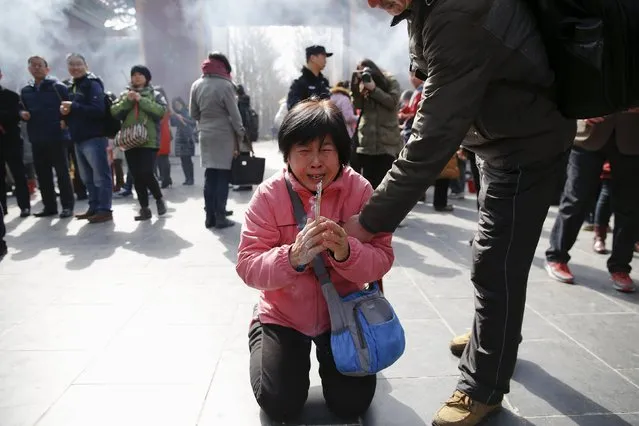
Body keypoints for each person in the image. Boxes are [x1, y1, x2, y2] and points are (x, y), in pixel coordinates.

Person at [355, 2, 576, 425]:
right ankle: (493, 337)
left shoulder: (456, 12)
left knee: (496, 262)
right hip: (497, 141)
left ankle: (482, 385)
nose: (371, 3)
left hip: (527, 144)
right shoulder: (424, 7)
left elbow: (430, 138)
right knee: (490, 252)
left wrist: (369, 220)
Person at [236, 99, 393, 423]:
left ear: (342, 152)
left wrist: (346, 252)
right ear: (287, 154)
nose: (316, 162)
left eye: (326, 149)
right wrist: (292, 257)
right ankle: (260, 328)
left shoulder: (360, 191)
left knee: (352, 405)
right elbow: (248, 264)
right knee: (279, 403)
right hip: (284, 313)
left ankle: (328, 356)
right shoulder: (268, 195)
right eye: (304, 150)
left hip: (345, 310)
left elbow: (382, 259)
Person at [545, 113, 639, 293]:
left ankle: (620, 268)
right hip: (590, 132)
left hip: (632, 136)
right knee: (575, 198)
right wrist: (581, 109)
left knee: (629, 206)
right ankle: (556, 256)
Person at [189, 52, 244, 229]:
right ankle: (220, 216)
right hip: (223, 136)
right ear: (224, 67)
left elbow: (193, 114)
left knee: (210, 175)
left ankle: (209, 216)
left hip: (205, 133)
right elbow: (235, 116)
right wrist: (241, 134)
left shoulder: (196, 84)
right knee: (222, 176)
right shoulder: (226, 86)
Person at [20, 56, 75, 218]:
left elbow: (70, 106)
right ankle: (49, 206)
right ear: (29, 69)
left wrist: (65, 120)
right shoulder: (26, 91)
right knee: (43, 174)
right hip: (37, 137)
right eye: (33, 66)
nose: (36, 68)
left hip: (57, 136)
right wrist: (22, 113)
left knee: (62, 173)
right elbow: (20, 108)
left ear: (47, 69)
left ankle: (67, 206)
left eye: (40, 65)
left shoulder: (58, 87)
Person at [111, 65, 168, 221]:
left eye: (140, 74)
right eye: (134, 75)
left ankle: (158, 198)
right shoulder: (124, 94)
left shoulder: (155, 94)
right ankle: (144, 208)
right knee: (136, 175)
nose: (136, 77)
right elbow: (114, 111)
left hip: (149, 140)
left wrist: (141, 100)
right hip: (130, 140)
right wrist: (127, 102)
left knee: (147, 172)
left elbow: (161, 112)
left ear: (147, 78)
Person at [63, 53, 113, 223]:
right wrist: (64, 115)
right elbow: (74, 113)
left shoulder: (92, 84)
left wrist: (74, 107)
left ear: (86, 65)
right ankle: (94, 207)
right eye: (71, 64)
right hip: (78, 138)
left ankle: (104, 209)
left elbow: (98, 110)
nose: (75, 67)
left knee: (100, 175)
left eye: (78, 64)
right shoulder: (70, 86)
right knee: (87, 178)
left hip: (94, 137)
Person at [351, 59, 403, 190]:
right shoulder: (363, 84)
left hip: (386, 143)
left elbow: (393, 102)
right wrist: (355, 87)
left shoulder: (390, 80)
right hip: (367, 142)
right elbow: (357, 105)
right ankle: (369, 210)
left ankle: (384, 210)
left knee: (384, 185)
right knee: (368, 185)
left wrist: (374, 89)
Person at [0, 67, 30, 217]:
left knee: (18, 173)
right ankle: (2, 208)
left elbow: (17, 114)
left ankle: (24, 206)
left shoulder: (11, 95)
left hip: (11, 139)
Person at [287, 45, 332, 110]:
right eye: (323, 57)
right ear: (313, 58)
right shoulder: (299, 84)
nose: (325, 61)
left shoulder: (324, 82)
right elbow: (293, 108)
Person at [170, 97, 197, 186]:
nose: (177, 106)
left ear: (181, 103)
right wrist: (174, 117)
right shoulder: (176, 113)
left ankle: (191, 179)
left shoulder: (187, 111)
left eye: (178, 104)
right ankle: (187, 178)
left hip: (187, 137)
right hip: (180, 137)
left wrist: (183, 119)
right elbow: (173, 124)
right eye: (175, 105)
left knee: (188, 159)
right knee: (183, 159)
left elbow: (193, 123)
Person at [155, 86, 173, 189]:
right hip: (164, 133)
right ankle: (166, 179)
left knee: (162, 158)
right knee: (163, 158)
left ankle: (165, 179)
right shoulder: (166, 106)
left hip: (160, 133)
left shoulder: (161, 106)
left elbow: (160, 121)